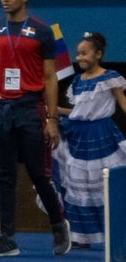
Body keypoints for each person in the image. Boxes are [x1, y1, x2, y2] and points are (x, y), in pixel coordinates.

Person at [0, 0, 69, 258]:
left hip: (31, 108)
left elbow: (50, 76)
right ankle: (7, 238)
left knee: (38, 174)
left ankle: (58, 225)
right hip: (2, 109)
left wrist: (52, 119)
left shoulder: (42, 31)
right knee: (4, 176)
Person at [53, 32, 126, 249]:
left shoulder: (110, 77)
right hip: (77, 138)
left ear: (98, 54)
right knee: (80, 188)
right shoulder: (77, 81)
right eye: (78, 54)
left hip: (102, 137)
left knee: (107, 186)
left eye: (85, 53)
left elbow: (122, 103)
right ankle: (81, 236)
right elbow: (79, 112)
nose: (80, 58)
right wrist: (55, 110)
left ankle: (117, 235)